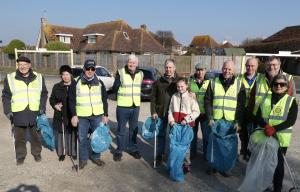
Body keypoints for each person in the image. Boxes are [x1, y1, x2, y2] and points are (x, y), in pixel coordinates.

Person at [2, 56, 48, 165]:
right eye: (20, 64)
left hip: (35, 111)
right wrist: (8, 111)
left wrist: (42, 107)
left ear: (29, 65)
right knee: (19, 137)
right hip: (18, 112)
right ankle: (20, 155)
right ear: (17, 66)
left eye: (25, 64)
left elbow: (44, 94)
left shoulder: (39, 77)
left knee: (36, 135)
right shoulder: (10, 77)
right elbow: (6, 96)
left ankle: (37, 153)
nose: (22, 67)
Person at [255, 74, 298, 192]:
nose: (278, 86)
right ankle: (265, 186)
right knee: (266, 165)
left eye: (282, 84)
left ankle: (277, 188)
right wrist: (266, 126)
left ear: (286, 86)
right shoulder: (265, 98)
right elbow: (258, 116)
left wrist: (275, 129)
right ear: (272, 86)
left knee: (278, 166)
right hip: (266, 137)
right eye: (276, 84)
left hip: (280, 139)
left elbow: (291, 120)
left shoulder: (291, 101)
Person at [204, 60, 246, 176]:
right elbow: (207, 102)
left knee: (229, 146)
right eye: (225, 68)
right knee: (214, 144)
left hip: (231, 121)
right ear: (222, 68)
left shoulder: (239, 84)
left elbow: (241, 106)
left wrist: (238, 122)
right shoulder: (213, 82)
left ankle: (227, 167)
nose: (227, 71)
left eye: (229, 69)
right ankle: (213, 166)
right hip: (216, 120)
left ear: (234, 71)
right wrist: (210, 117)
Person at [69, 59, 108, 169]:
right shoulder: (76, 82)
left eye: (92, 69)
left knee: (97, 137)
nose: (90, 71)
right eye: (88, 68)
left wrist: (105, 115)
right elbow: (71, 100)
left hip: (97, 115)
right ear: (84, 69)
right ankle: (83, 159)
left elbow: (104, 99)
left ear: (95, 70)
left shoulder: (100, 82)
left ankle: (96, 157)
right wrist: (74, 115)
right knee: (82, 138)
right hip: (82, 116)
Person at [112, 54, 144, 161]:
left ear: (137, 64)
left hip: (135, 106)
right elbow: (115, 87)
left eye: (134, 63)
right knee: (121, 130)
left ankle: (133, 149)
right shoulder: (120, 72)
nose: (132, 64)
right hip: (123, 107)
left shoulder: (141, 74)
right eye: (130, 62)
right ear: (127, 63)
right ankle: (119, 151)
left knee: (134, 129)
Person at [151, 58, 179, 165]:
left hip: (174, 114)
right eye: (166, 67)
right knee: (161, 135)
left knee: (173, 135)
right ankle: (160, 155)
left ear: (174, 68)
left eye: (170, 67)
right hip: (161, 113)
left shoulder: (179, 81)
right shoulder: (158, 81)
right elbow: (153, 97)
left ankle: (172, 155)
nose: (168, 69)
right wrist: (153, 111)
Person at [168, 77, 200, 173]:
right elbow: (170, 110)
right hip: (175, 126)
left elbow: (196, 112)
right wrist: (171, 121)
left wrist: (187, 120)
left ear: (186, 86)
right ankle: (176, 162)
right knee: (174, 145)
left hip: (187, 127)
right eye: (178, 87)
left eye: (182, 86)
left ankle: (186, 164)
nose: (180, 88)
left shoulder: (191, 97)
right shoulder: (174, 96)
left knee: (186, 147)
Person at [50, 65, 77, 161]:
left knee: (73, 133)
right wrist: (55, 105)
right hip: (60, 114)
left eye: (67, 74)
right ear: (61, 76)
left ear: (71, 75)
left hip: (72, 113)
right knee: (61, 133)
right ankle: (62, 153)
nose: (65, 76)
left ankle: (73, 152)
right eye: (63, 74)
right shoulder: (57, 86)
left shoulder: (76, 85)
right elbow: (52, 99)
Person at [239, 57, 261, 161]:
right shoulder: (239, 78)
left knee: (255, 134)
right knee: (243, 133)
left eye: (252, 66)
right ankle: (243, 151)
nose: (250, 68)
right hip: (243, 111)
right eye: (248, 65)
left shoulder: (261, 79)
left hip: (255, 111)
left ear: (256, 67)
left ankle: (252, 154)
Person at [188, 63, 210, 159]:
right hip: (193, 114)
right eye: (198, 70)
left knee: (206, 136)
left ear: (205, 71)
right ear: (195, 70)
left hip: (205, 114)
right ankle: (192, 154)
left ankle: (206, 154)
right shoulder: (190, 82)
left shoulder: (210, 82)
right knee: (192, 135)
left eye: (202, 70)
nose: (200, 72)